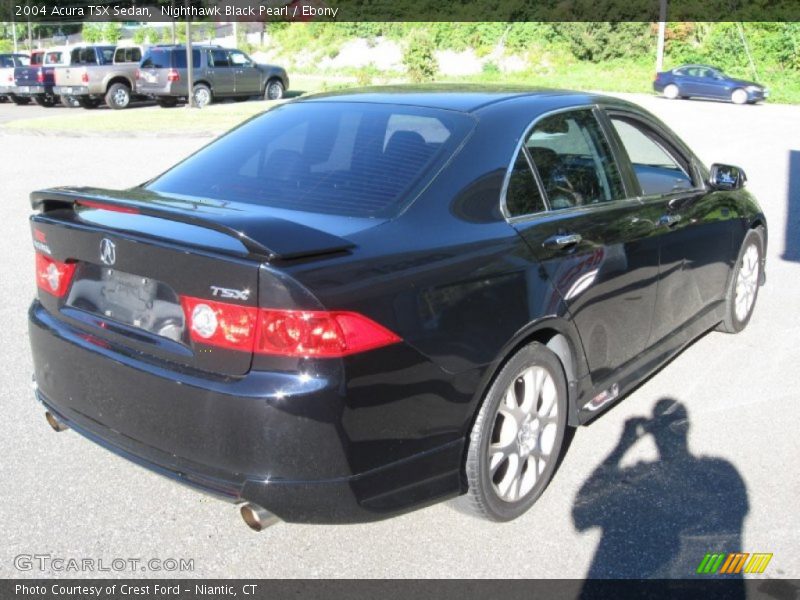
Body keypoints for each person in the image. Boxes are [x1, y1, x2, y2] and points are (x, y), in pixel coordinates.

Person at [573, 397, 748, 583]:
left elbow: (581, 513)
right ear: (686, 428)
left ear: (654, 433)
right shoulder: (722, 471)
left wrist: (623, 445)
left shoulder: (643, 478)